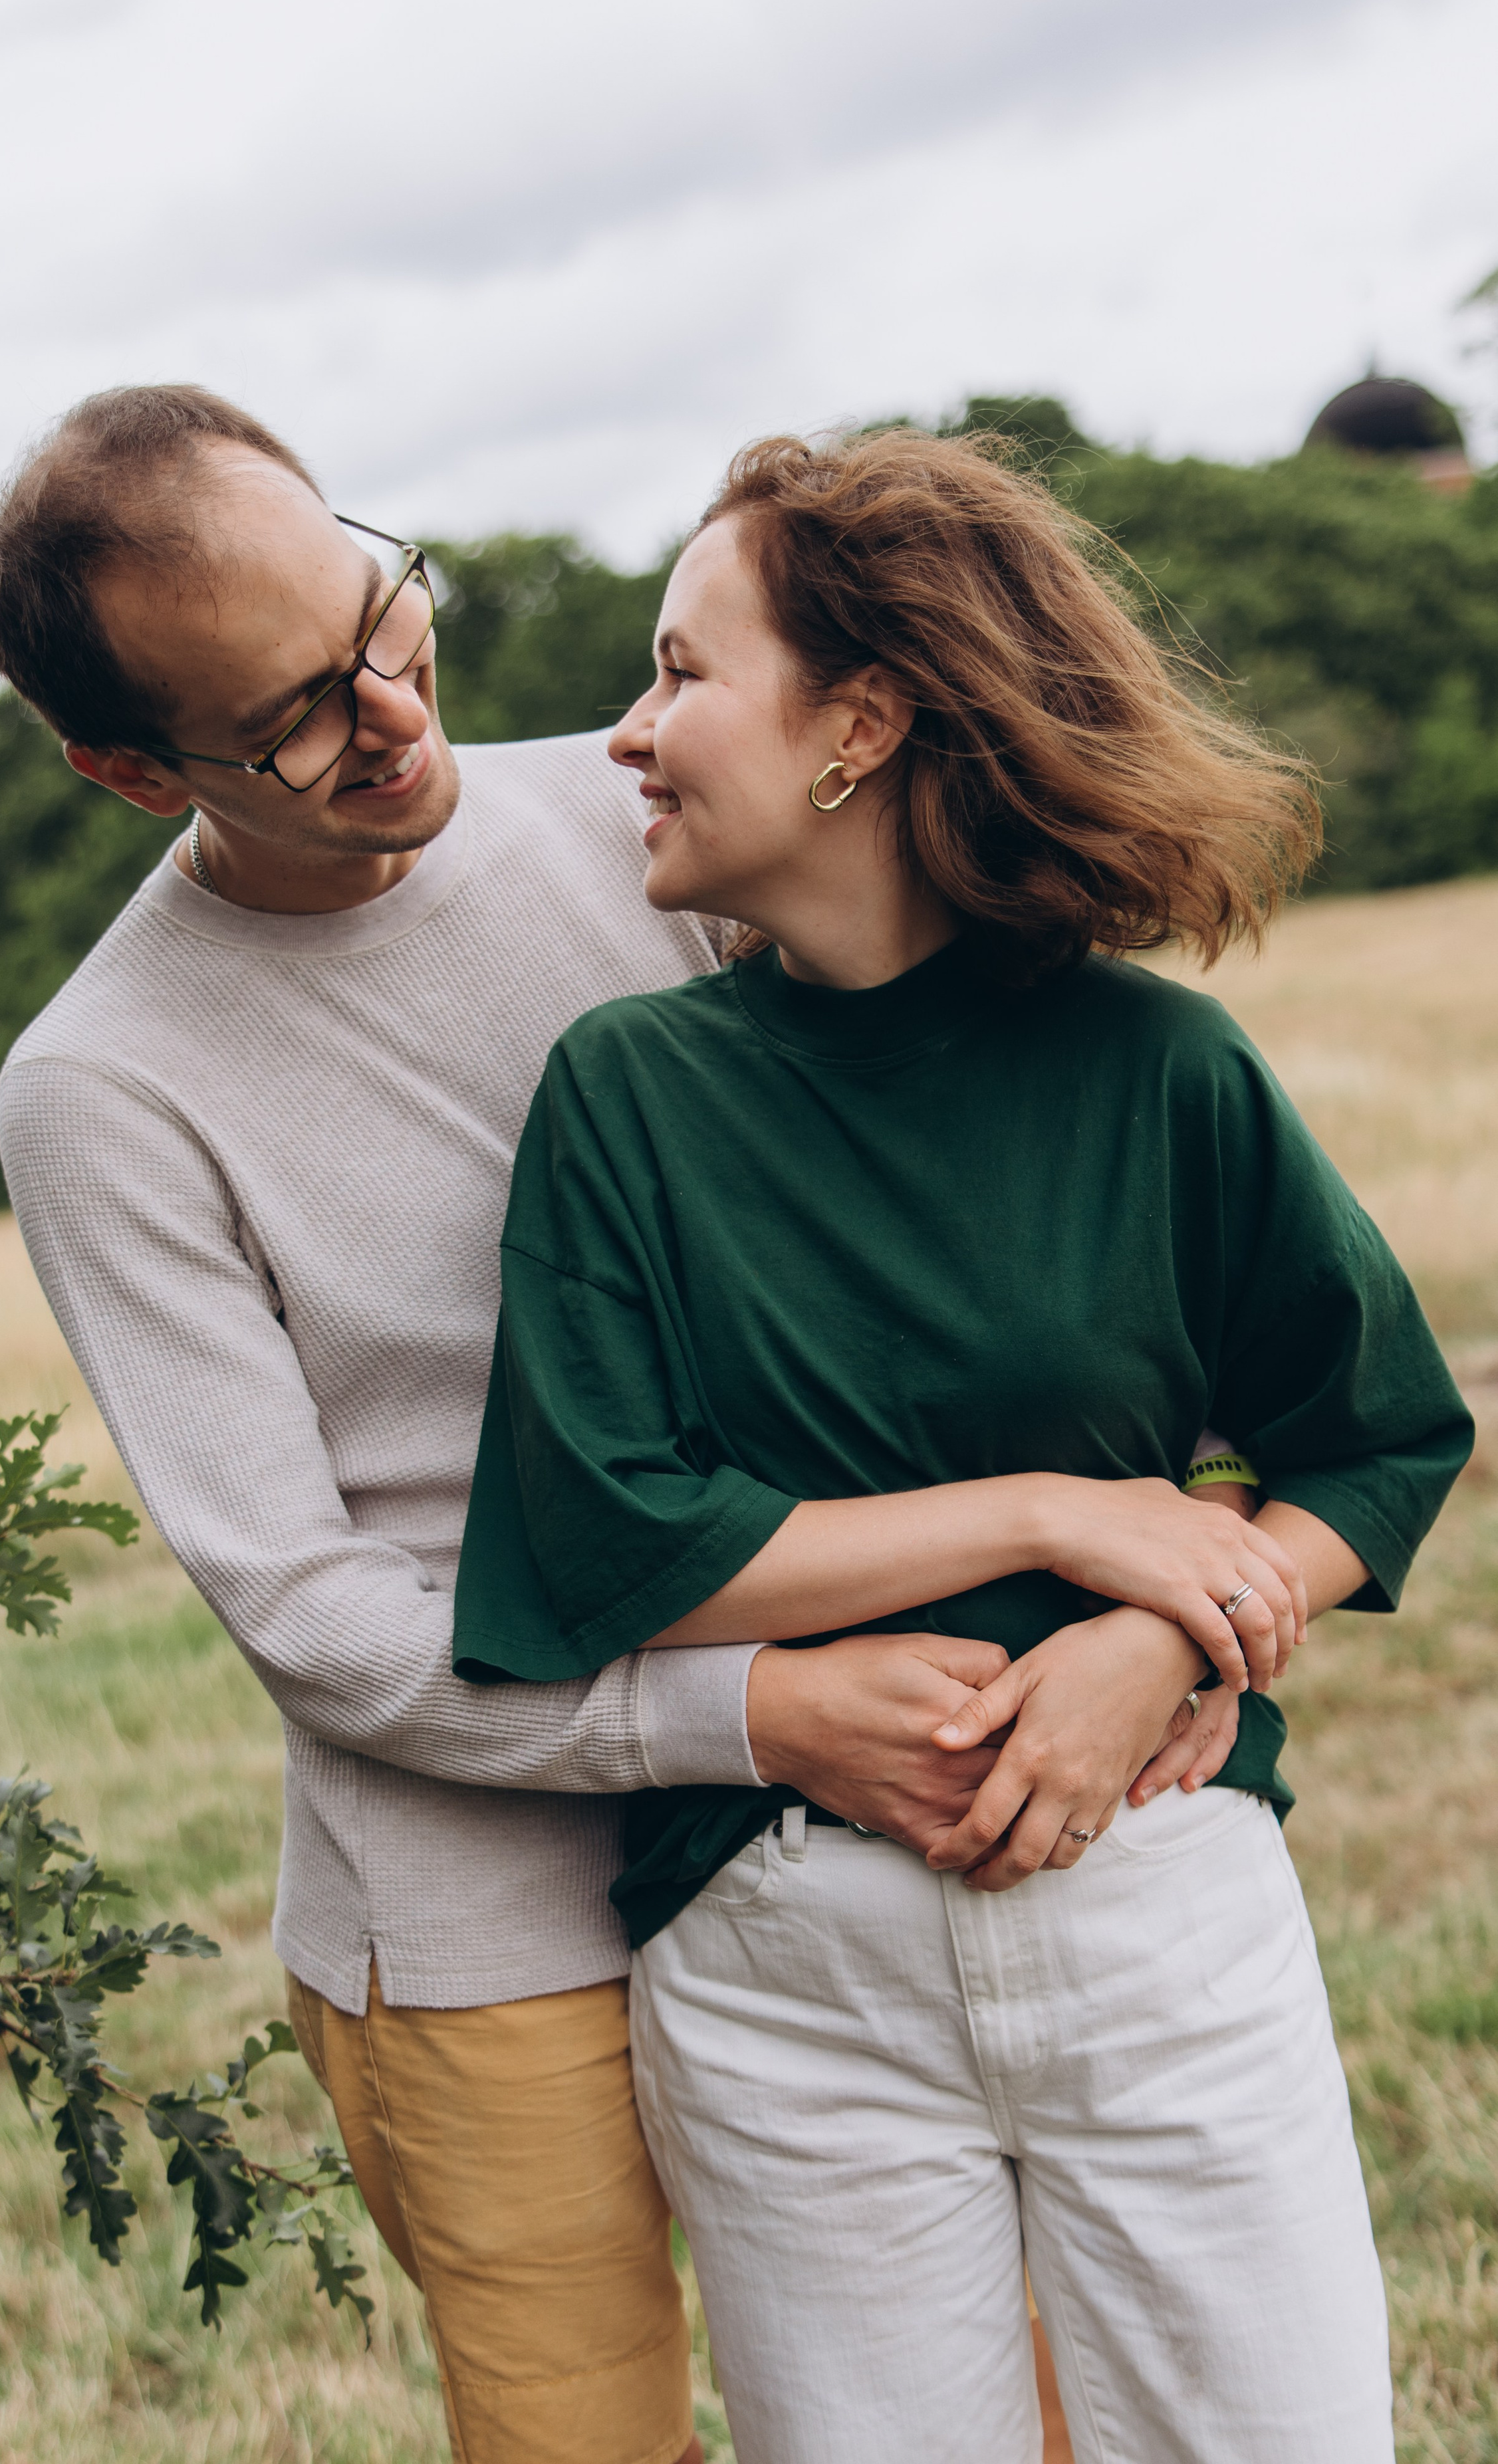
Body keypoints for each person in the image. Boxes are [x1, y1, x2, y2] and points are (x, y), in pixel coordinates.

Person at [0, 386, 1251, 2464]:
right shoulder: (103, 1089)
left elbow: (1008, 1246)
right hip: (483, 1920)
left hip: (854, 1831)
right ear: (127, 771)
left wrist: (1162, 1596)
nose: (393, 716)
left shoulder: (676, 814)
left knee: (984, 2418)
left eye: (384, 617)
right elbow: (323, 1624)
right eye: (294, 716)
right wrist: (756, 1709)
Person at [452, 425, 1474, 2463]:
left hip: (1158, 1920)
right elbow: (603, 1539)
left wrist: (1175, 1632)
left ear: (859, 726)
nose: (624, 739)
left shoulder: (1160, 1068)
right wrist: (1047, 1518)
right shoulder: (629, 1095)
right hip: (784, 1969)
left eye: (677, 674)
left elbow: (1373, 1439)